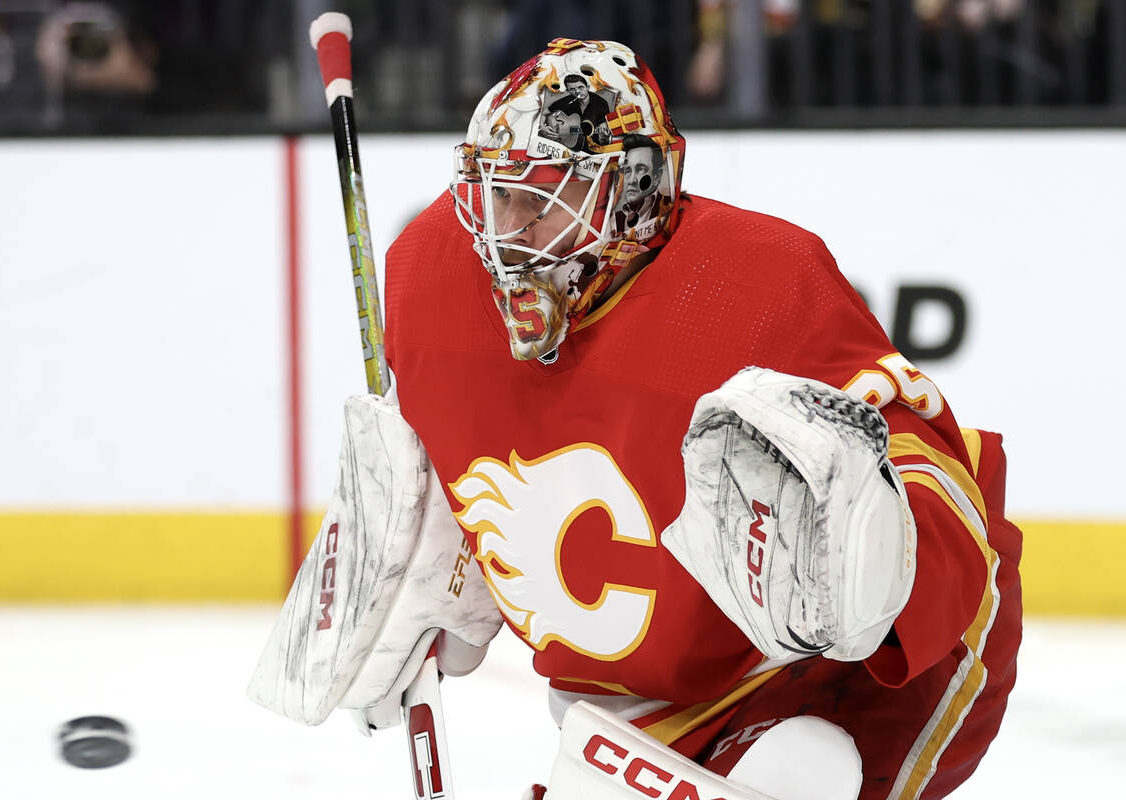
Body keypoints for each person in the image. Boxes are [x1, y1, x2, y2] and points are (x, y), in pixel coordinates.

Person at [251, 37, 1021, 800]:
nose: (506, 234)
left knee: (800, 771)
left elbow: (925, 467)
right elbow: (446, 438)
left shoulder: (756, 284)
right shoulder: (430, 271)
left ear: (634, 191)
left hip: (827, 673)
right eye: (498, 192)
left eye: (544, 199)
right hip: (641, 696)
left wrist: (870, 564)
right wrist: (429, 542)